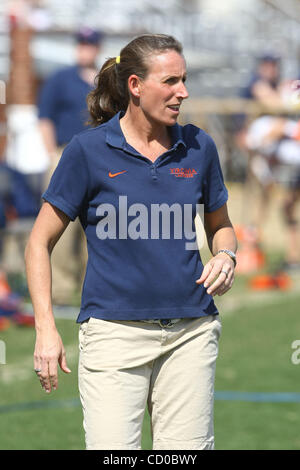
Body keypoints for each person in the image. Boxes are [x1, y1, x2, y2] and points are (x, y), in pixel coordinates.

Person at [25, 34, 237, 450]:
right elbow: (38, 243)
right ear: (136, 86)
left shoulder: (200, 147)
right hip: (113, 337)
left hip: (191, 334)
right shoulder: (87, 151)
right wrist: (45, 328)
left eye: (185, 79)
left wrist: (227, 253)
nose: (184, 92)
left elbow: (222, 225)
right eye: (171, 80)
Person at [37, 27, 103, 303]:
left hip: (100, 157)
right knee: (60, 227)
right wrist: (51, 153)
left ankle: (97, 287)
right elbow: (44, 118)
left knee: (101, 222)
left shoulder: (106, 81)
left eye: (89, 45)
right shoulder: (60, 79)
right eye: (81, 44)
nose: (84, 49)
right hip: (65, 155)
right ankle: (61, 289)